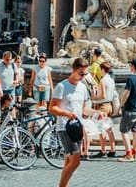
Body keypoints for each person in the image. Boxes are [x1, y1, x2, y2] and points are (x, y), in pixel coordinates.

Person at [50, 57, 105, 187]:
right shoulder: (62, 86)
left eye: (85, 74)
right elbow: (52, 107)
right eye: (81, 74)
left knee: (69, 161)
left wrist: (97, 112)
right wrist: (67, 114)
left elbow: (84, 109)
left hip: (77, 128)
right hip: (64, 127)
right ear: (73, 70)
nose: (83, 76)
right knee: (75, 161)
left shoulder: (82, 88)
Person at [118, 59, 136, 162]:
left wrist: (120, 105)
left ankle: (128, 154)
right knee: (135, 132)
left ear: (133, 67)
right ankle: (135, 154)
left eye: (130, 65)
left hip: (130, 109)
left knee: (123, 131)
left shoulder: (131, 79)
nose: (130, 67)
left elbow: (126, 94)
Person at [91, 61, 116, 158]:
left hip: (102, 107)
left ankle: (103, 150)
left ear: (102, 69)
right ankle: (113, 149)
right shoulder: (111, 80)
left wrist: (94, 97)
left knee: (101, 129)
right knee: (109, 128)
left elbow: (103, 95)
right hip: (109, 105)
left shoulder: (102, 80)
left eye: (99, 69)